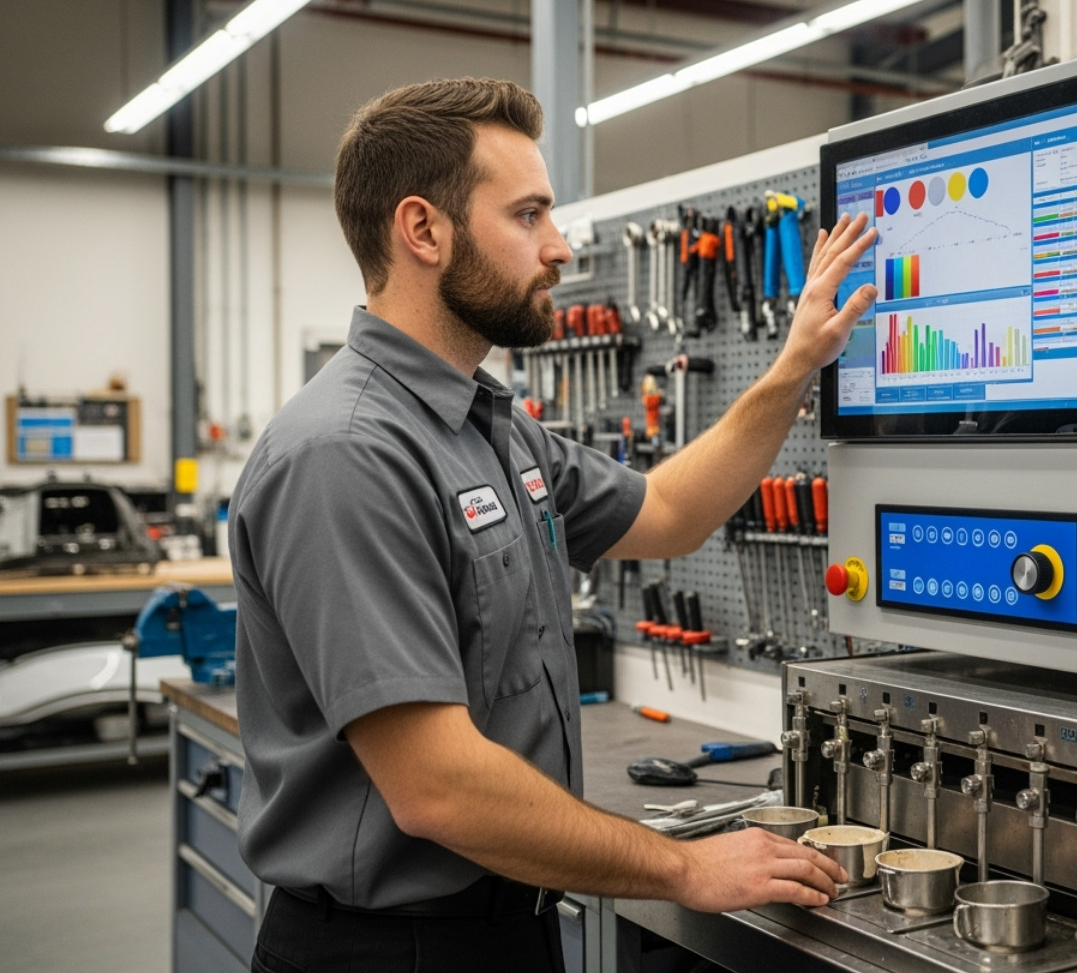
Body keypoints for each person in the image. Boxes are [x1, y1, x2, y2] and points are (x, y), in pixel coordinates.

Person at [229, 77, 878, 973]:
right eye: (529, 215)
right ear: (424, 230)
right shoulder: (345, 454)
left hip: (508, 923)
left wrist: (797, 361)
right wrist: (683, 867)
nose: (561, 248)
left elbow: (669, 511)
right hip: (389, 951)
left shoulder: (492, 430)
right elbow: (438, 789)